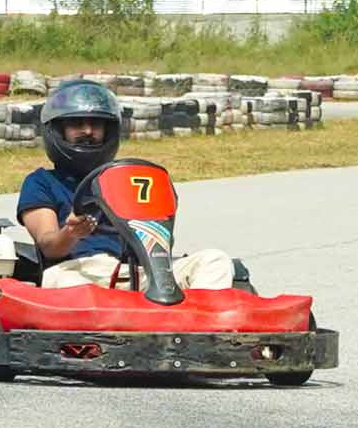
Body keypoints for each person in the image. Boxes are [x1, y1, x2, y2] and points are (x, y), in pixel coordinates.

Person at [17, 78, 234, 291]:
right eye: (77, 124)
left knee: (215, 260)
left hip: (138, 273)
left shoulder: (128, 178)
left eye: (96, 124)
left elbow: (160, 241)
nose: (88, 131)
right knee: (66, 282)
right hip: (78, 273)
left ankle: (195, 313)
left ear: (109, 130)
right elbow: (48, 245)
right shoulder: (41, 182)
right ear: (57, 130)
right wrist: (71, 233)